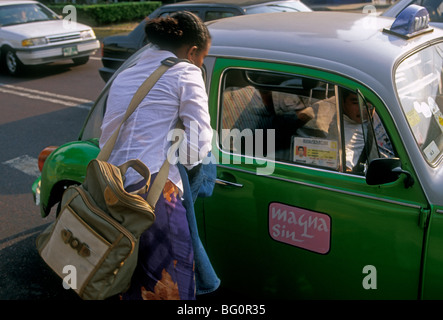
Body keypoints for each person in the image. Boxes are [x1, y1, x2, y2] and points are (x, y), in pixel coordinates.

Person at [99, 11, 213, 300]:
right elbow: (200, 143)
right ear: (193, 51)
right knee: (167, 286)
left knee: (124, 276)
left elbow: (107, 133)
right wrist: (179, 169)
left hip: (111, 189)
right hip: (155, 198)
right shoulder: (186, 71)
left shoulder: (126, 74)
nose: (200, 64)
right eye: (202, 59)